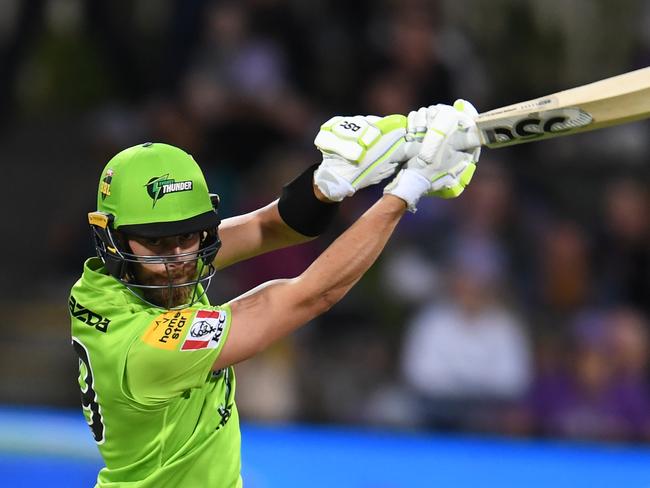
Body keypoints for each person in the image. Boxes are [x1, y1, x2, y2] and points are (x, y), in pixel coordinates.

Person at [70, 100, 482, 487]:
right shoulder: (146, 350)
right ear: (112, 238)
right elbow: (309, 295)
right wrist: (407, 187)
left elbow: (267, 227)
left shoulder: (107, 283)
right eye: (158, 243)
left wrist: (329, 182)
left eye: (188, 236)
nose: (179, 259)